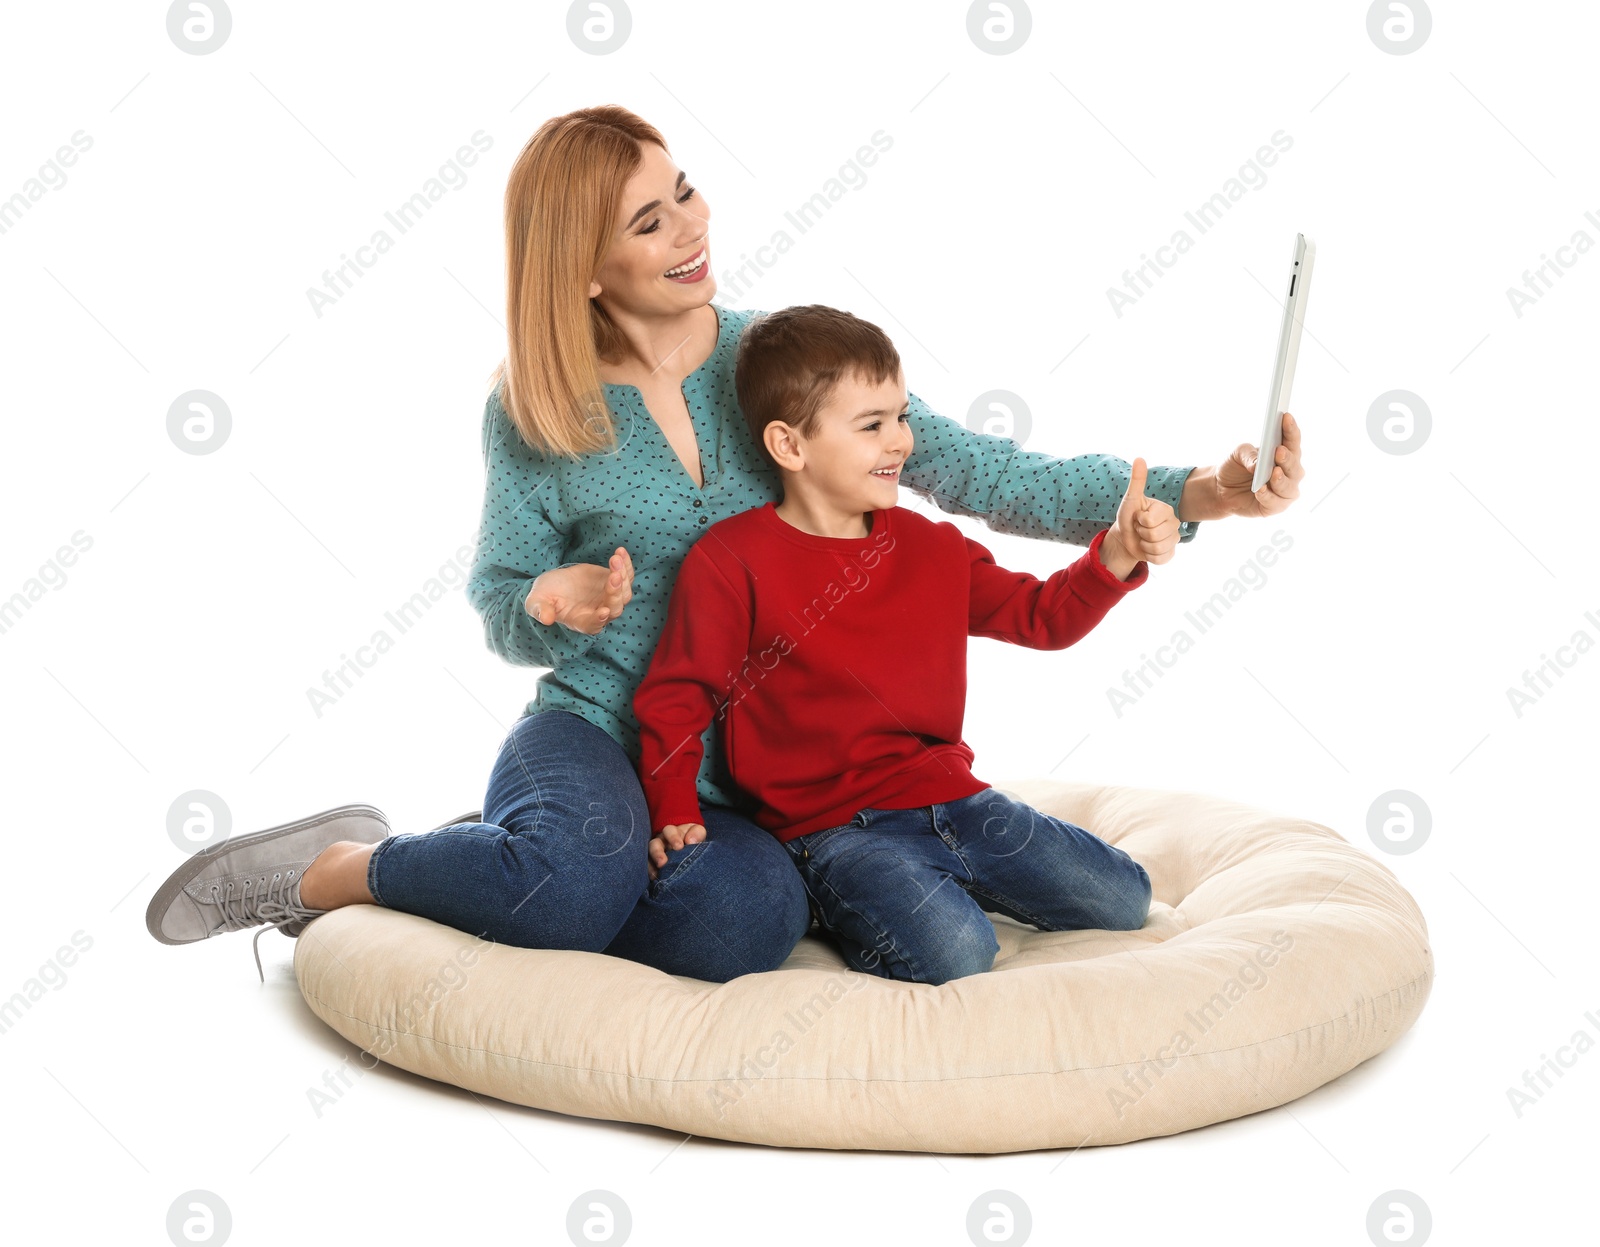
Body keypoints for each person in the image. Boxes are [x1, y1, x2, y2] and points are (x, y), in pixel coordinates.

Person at [143, 105, 1304, 985]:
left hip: (750, 782)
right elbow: (497, 597)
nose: (693, 227)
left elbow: (984, 472)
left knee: (736, 927)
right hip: (599, 728)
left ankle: (522, 864)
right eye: (649, 221)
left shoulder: (777, 359)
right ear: (584, 267)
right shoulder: (537, 409)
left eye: (684, 191)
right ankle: (352, 863)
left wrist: (1200, 492)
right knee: (565, 887)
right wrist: (545, 599)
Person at [633, 305, 1170, 985]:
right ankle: (854, 905)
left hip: (958, 801)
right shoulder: (730, 561)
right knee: (958, 953)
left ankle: (943, 879)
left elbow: (1043, 618)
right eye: (872, 425)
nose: (901, 443)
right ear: (790, 446)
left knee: (1127, 897)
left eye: (901, 417)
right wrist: (675, 803)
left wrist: (1114, 556)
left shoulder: (930, 548)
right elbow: (679, 693)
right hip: (831, 830)